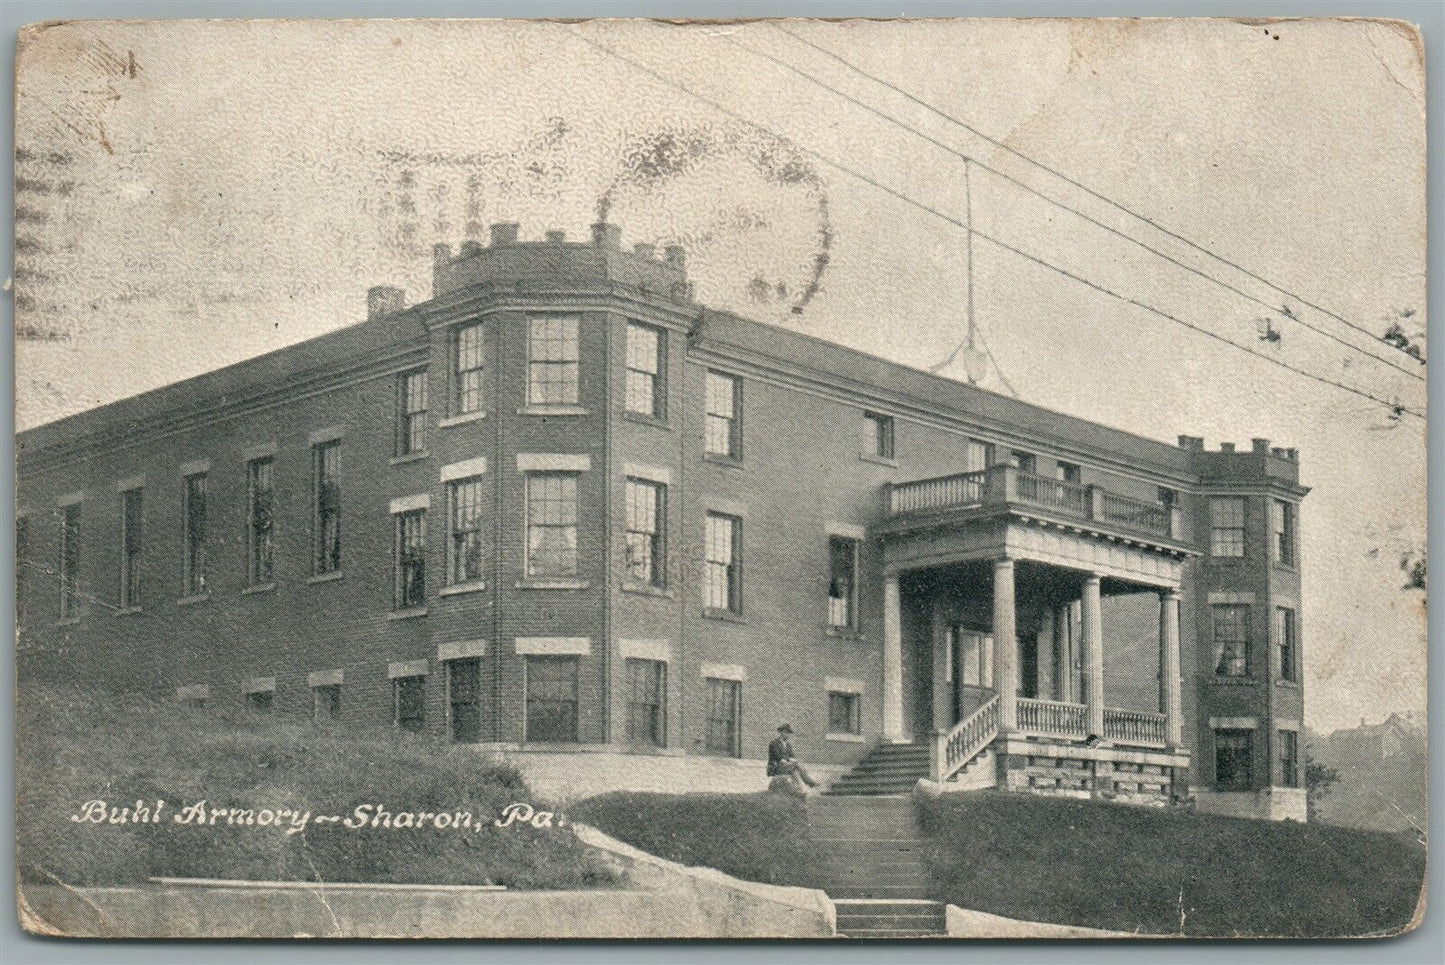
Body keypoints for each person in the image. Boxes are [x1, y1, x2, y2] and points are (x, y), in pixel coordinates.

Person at [767, 723, 820, 793]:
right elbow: (777, 756)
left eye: (789, 733)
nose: (788, 735)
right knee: (795, 765)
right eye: (786, 733)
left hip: (786, 766)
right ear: (781, 732)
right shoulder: (774, 743)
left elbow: (792, 756)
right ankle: (810, 783)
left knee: (794, 769)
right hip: (776, 767)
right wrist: (788, 760)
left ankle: (798, 790)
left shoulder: (788, 745)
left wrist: (793, 760)